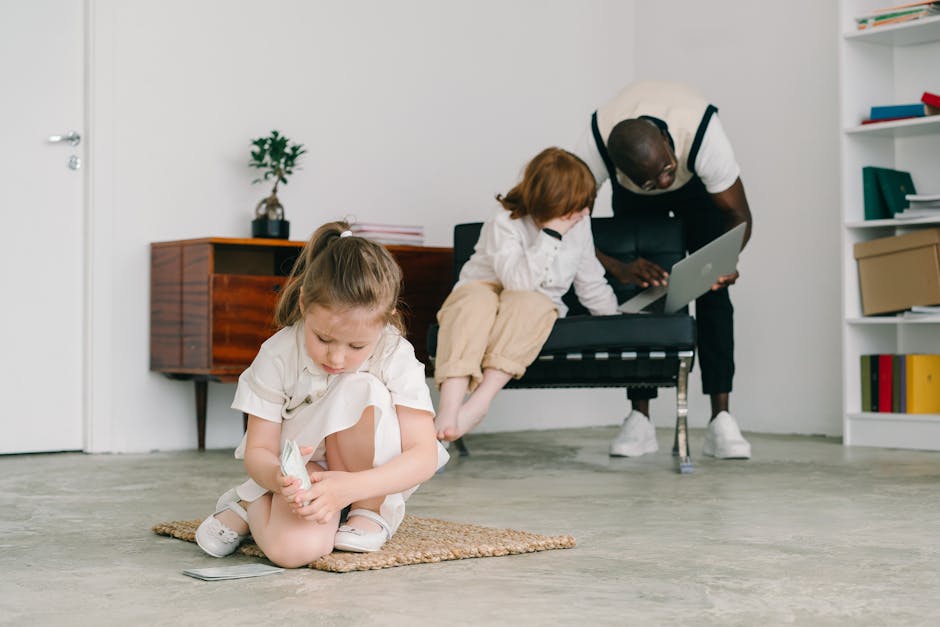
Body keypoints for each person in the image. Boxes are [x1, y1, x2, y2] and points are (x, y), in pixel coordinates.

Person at [194, 221, 448, 568]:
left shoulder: (394, 353)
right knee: (293, 552)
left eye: (356, 345)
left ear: (385, 320)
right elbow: (259, 449)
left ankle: (366, 511)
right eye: (324, 339)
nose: (337, 358)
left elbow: (423, 455)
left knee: (363, 386)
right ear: (303, 303)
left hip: (367, 479)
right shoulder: (279, 353)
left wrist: (351, 489)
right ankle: (252, 502)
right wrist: (278, 480)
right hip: (303, 471)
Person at [573, 80, 753, 460]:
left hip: (701, 194)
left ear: (669, 145)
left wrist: (726, 261)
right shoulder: (594, 147)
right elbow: (570, 221)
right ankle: (640, 420)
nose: (665, 183)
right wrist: (618, 267)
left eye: (667, 170)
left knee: (713, 294)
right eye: (655, 181)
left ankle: (721, 419)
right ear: (617, 170)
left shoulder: (703, 134)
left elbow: (739, 214)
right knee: (644, 295)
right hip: (635, 202)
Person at [434, 147, 619, 441]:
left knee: (530, 304)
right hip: (484, 287)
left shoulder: (579, 225)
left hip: (533, 303)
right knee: (474, 303)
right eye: (577, 205)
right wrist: (551, 234)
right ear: (552, 203)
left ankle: (479, 403)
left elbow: (590, 281)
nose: (585, 212)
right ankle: (449, 406)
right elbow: (517, 280)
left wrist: (616, 321)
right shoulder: (505, 220)